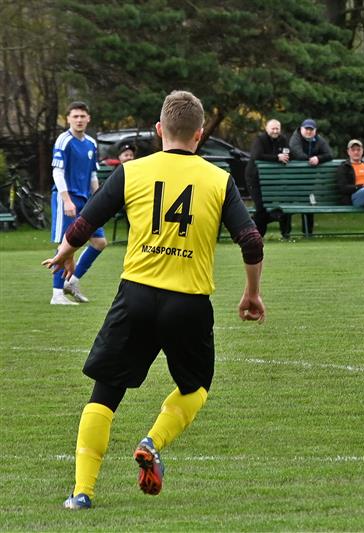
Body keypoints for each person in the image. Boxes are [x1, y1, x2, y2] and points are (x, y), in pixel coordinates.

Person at [44, 90, 265, 510]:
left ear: (161, 130)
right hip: (189, 303)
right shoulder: (218, 180)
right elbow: (251, 241)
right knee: (195, 387)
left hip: (137, 297)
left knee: (105, 393)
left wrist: (66, 251)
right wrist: (251, 293)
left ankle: (82, 493)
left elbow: (89, 216)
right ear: (199, 135)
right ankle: (152, 441)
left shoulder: (133, 171)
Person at [50, 101, 107, 305]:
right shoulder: (63, 141)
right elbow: (57, 172)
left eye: (83, 116)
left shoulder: (91, 143)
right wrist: (66, 200)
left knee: (100, 242)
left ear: (88, 118)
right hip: (67, 199)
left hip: (86, 201)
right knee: (66, 244)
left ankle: (71, 282)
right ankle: (57, 294)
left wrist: (99, 199)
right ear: (68, 119)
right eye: (75, 116)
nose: (79, 120)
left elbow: (92, 174)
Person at [288, 118, 333, 236]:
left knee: (309, 205)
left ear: (315, 131)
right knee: (288, 204)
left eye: (311, 129)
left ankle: (308, 233)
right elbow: (297, 153)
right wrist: (310, 159)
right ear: (301, 129)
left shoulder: (318, 139)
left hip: (308, 180)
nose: (308, 131)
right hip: (292, 179)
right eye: (306, 129)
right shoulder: (295, 138)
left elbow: (329, 154)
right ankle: (285, 233)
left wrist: (318, 158)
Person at [245, 119, 290, 236]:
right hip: (255, 178)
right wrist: (277, 157)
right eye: (273, 128)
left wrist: (287, 157)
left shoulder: (283, 139)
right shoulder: (260, 140)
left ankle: (281, 233)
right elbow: (257, 155)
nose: (275, 131)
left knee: (280, 207)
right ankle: (257, 234)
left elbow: (289, 153)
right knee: (260, 207)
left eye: (277, 129)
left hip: (273, 179)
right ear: (266, 129)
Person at [335, 138, 364, 239]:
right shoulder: (344, 167)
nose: (356, 152)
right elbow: (342, 188)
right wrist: (362, 187)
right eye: (353, 150)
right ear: (348, 151)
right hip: (355, 197)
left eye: (358, 149)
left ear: (362, 151)